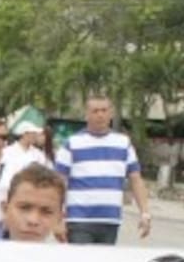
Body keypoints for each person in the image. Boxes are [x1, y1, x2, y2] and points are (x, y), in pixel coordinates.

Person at [54, 95, 151, 244]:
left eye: (104, 110)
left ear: (111, 113)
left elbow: (136, 180)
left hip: (110, 220)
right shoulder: (72, 144)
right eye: (95, 111)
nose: (100, 115)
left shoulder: (123, 143)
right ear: (86, 114)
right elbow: (59, 183)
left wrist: (145, 213)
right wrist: (58, 219)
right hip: (79, 219)